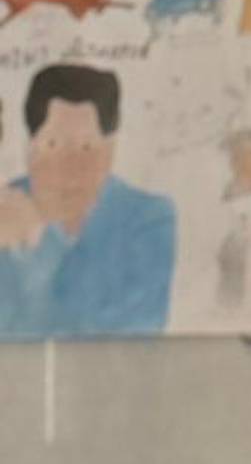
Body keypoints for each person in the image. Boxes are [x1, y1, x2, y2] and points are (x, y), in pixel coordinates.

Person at [0, 64, 177, 338]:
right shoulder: (6, 208)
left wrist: (40, 244)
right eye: (52, 144)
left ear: (109, 153)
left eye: (86, 147)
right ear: (30, 150)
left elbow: (135, 331)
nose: (69, 166)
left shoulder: (149, 219)